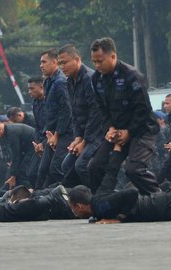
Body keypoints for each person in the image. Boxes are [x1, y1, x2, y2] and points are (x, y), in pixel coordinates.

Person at [88, 37, 160, 195]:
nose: (97, 66)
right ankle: (102, 204)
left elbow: (143, 109)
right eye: (94, 62)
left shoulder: (131, 75)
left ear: (113, 56)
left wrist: (129, 132)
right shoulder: (96, 79)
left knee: (133, 170)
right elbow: (102, 109)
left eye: (100, 61)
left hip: (141, 129)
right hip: (117, 131)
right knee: (95, 166)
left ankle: (158, 198)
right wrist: (110, 128)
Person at [57, 44, 103, 188]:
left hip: (99, 133)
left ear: (77, 59)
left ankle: (97, 197)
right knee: (66, 165)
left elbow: (96, 114)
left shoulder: (90, 79)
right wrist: (77, 138)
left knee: (81, 165)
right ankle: (78, 199)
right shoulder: (69, 81)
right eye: (59, 64)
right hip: (84, 135)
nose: (62, 67)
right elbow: (75, 113)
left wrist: (84, 141)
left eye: (64, 62)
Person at [37, 49, 73, 188]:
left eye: (44, 62)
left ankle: (66, 200)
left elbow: (66, 111)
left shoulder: (60, 82)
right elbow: (50, 112)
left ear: (55, 62)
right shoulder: (48, 82)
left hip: (65, 133)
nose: (41, 65)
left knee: (57, 169)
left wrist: (57, 135)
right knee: (42, 170)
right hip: (52, 134)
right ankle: (38, 201)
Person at [0, 120, 35, 189]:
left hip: (34, 148)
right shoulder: (6, 132)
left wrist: (13, 175)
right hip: (25, 150)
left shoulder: (11, 133)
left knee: (22, 173)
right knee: (11, 172)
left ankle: (28, 192)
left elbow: (16, 155)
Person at [27, 77, 47, 187]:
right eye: (28, 89)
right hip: (40, 142)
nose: (29, 92)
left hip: (52, 140)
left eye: (32, 88)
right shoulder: (35, 103)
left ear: (41, 87)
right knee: (31, 173)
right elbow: (37, 126)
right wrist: (38, 143)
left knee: (43, 172)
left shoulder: (49, 101)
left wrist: (43, 144)